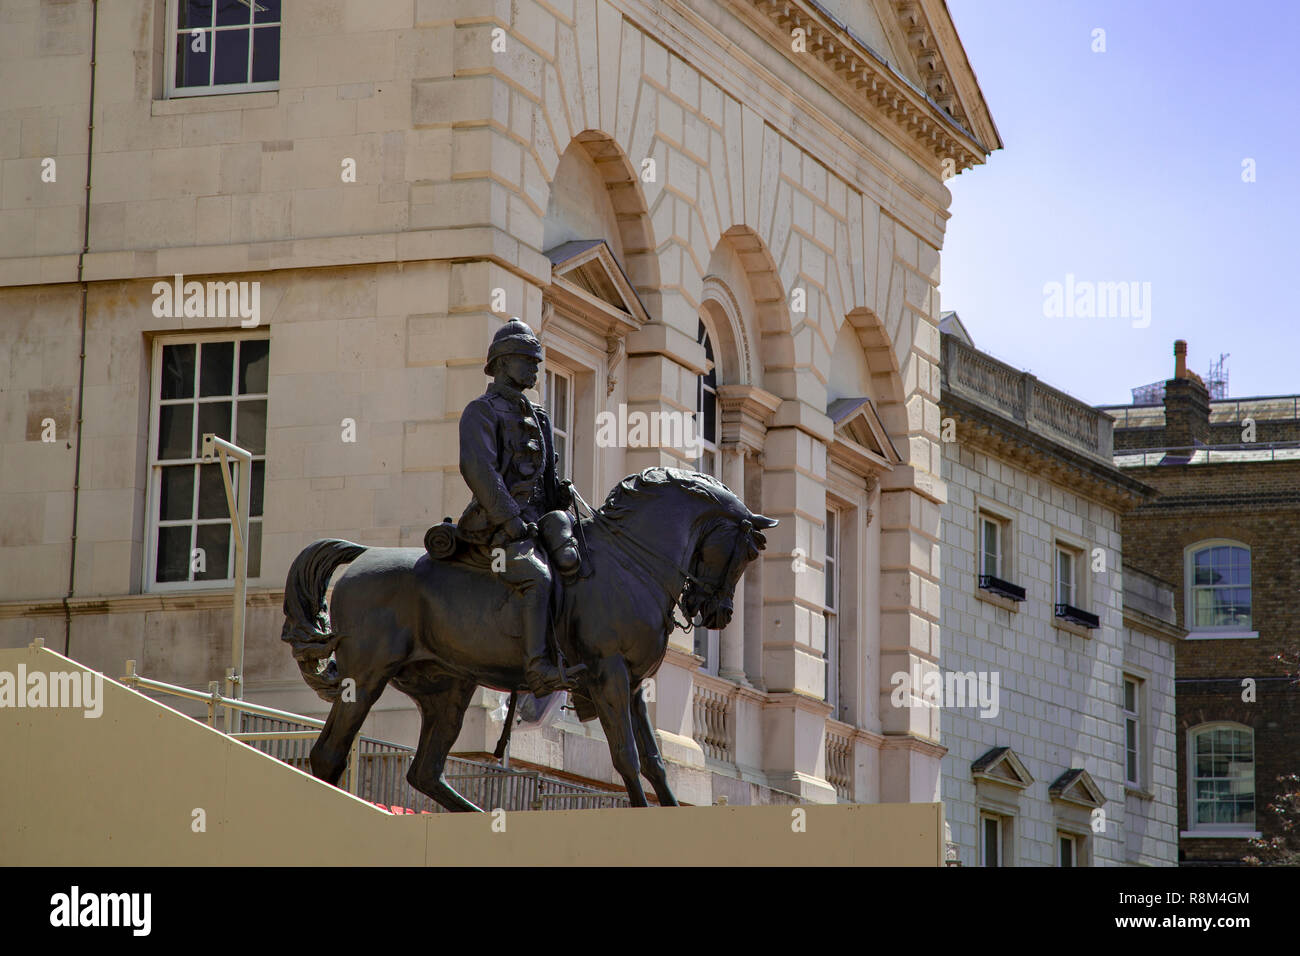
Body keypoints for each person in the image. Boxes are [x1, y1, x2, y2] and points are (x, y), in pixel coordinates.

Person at [456, 317, 575, 696]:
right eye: (528, 360)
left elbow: (546, 477)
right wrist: (509, 520)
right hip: (497, 528)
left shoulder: (538, 415)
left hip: (539, 522)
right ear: (503, 363)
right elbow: (478, 469)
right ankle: (538, 668)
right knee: (537, 578)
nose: (536, 368)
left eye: (537, 362)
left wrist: (560, 495)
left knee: (581, 561)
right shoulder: (482, 410)